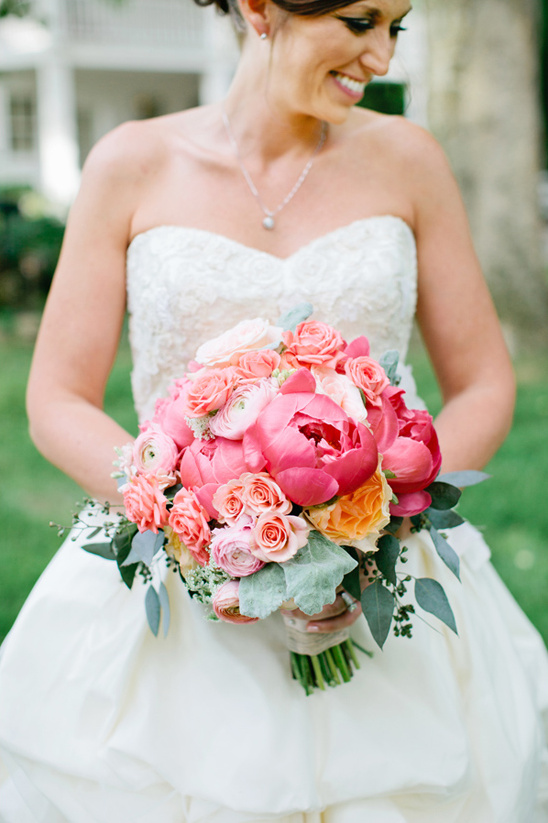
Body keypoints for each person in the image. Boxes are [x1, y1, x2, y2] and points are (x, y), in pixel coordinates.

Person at [0, 0, 547, 819]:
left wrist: (381, 517)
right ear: (259, 7)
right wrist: (196, 521)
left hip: (384, 569)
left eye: (396, 27)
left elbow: (484, 385)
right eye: (360, 20)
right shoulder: (131, 164)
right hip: (180, 578)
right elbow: (55, 399)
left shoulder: (410, 159)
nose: (382, 57)